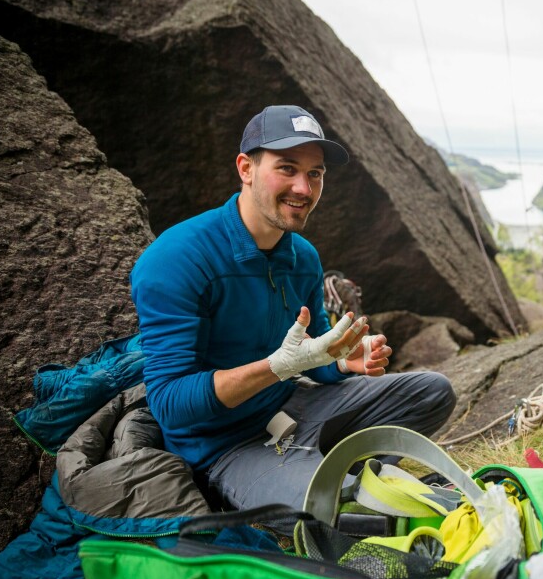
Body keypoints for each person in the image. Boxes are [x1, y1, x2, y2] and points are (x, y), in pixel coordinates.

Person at [130, 105, 457, 511]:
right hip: (222, 444)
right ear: (245, 168)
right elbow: (170, 404)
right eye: (287, 168)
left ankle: (321, 474)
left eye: (315, 173)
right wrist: (278, 367)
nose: (304, 188)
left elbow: (311, 356)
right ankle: (303, 486)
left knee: (432, 392)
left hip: (290, 408)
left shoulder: (302, 257)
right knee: (327, 510)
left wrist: (338, 361)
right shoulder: (176, 260)